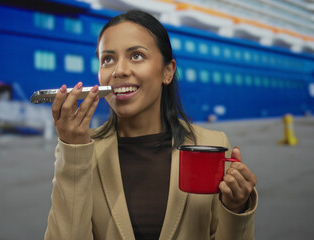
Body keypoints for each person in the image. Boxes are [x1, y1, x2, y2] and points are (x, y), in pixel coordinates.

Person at [44, 10, 258, 240]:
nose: (119, 71)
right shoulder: (82, 151)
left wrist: (236, 209)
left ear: (168, 71)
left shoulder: (211, 145)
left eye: (136, 55)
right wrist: (73, 150)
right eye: (107, 59)